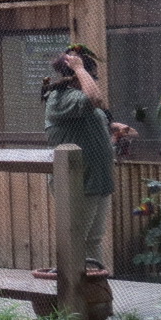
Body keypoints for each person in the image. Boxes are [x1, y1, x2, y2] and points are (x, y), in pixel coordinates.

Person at [41, 46, 129, 273]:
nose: (92, 80)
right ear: (75, 75)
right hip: (77, 182)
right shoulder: (60, 98)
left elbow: (91, 120)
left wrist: (114, 130)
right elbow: (95, 98)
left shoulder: (78, 100)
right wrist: (80, 67)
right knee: (77, 239)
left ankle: (95, 291)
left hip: (98, 180)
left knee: (94, 239)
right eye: (89, 75)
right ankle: (72, 294)